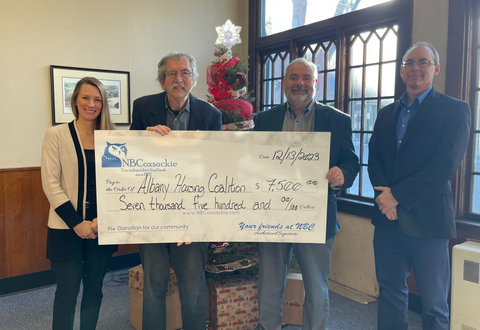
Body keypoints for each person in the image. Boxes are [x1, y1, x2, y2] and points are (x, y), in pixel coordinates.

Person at [368, 42, 471, 330]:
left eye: (423, 62)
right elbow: (374, 159)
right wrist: (385, 200)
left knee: (434, 303)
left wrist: (396, 197)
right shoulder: (386, 113)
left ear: (435, 69)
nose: (416, 68)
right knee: (389, 293)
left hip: (429, 221)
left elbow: (444, 166)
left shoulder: (455, 110)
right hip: (387, 222)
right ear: (402, 72)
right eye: (409, 63)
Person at [253, 58, 360, 330]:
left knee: (316, 285)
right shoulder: (263, 120)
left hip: (316, 216)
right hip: (272, 215)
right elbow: (252, 163)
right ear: (283, 83)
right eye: (292, 77)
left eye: (305, 77)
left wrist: (342, 174)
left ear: (316, 83)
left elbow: (351, 161)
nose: (299, 83)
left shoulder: (338, 120)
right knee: (269, 284)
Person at [130, 52, 221, 330]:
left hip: (192, 217)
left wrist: (204, 220)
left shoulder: (210, 114)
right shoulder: (143, 107)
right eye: (171, 73)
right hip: (153, 214)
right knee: (154, 286)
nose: (178, 79)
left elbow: (216, 168)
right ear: (161, 80)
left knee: (193, 289)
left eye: (184, 73)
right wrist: (144, 139)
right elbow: (130, 161)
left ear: (193, 80)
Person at [41, 77, 118, 330]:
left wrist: (101, 220)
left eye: (97, 99)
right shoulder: (56, 135)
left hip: (101, 227)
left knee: (94, 290)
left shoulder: (113, 138)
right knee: (67, 292)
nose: (91, 104)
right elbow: (51, 185)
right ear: (75, 100)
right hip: (66, 228)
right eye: (86, 97)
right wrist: (77, 223)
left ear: (104, 104)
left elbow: (121, 185)